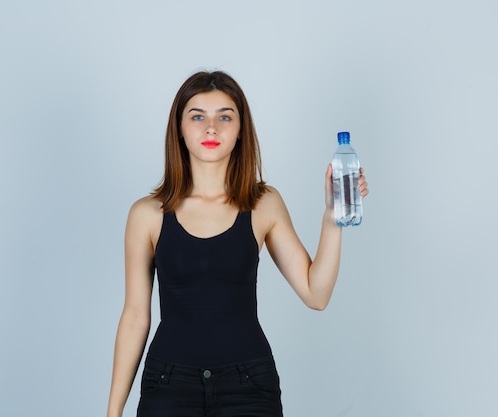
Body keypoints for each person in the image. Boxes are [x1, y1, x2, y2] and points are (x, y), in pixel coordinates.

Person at [106, 70, 369, 417]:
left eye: (225, 116)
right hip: (168, 386)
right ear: (179, 129)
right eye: (197, 116)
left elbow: (316, 295)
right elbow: (136, 317)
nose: (211, 127)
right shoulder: (147, 214)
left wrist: (332, 219)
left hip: (249, 387)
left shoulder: (263, 203)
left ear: (241, 129)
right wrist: (113, 412)